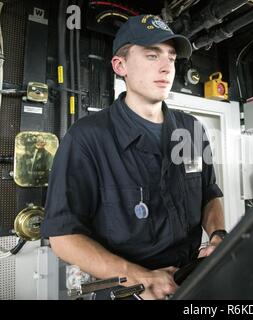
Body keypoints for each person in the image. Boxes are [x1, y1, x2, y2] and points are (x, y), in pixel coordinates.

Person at [40, 14, 227, 300]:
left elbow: (209, 194)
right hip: (128, 289)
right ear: (120, 65)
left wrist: (217, 235)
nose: (166, 67)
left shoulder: (191, 129)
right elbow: (64, 237)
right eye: (152, 56)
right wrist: (139, 276)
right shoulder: (87, 138)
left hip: (191, 280)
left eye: (171, 57)